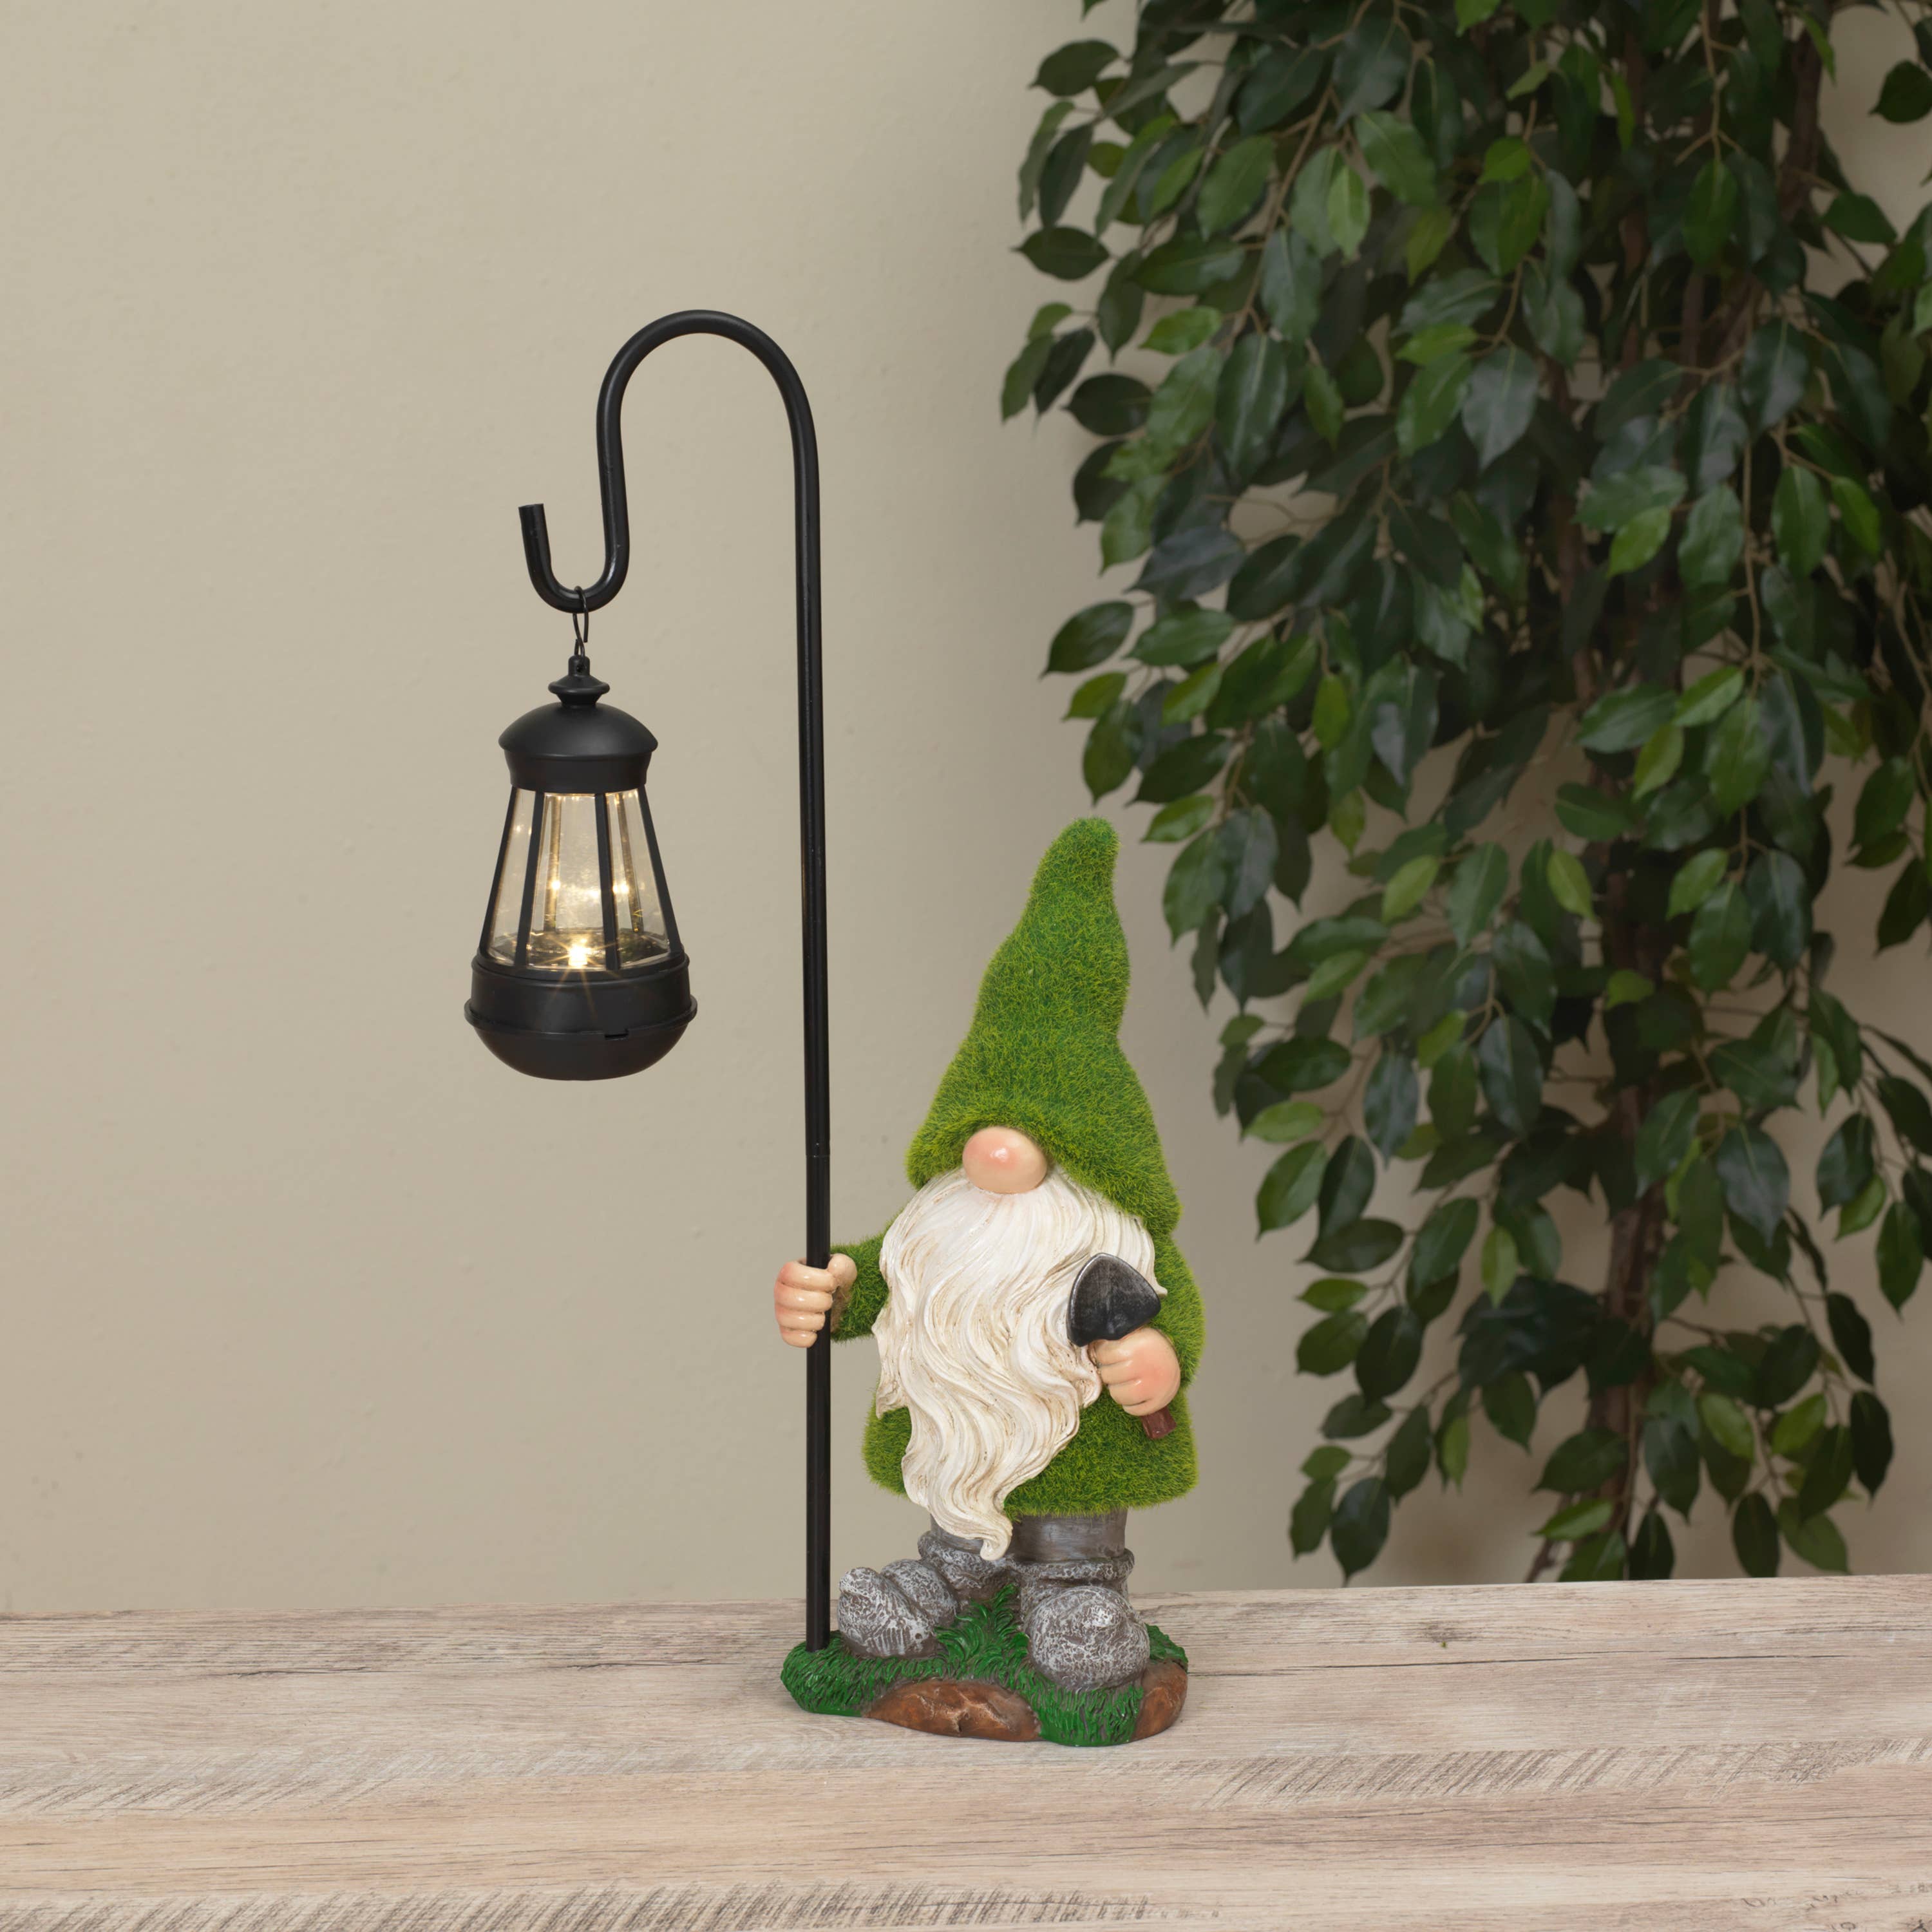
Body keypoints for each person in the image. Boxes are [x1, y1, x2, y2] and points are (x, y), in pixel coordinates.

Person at [770, 819, 1204, 1692]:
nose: (996, 1152)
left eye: (1034, 1129)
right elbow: (882, 1278)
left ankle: (1075, 1594)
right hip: (959, 1453)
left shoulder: (1114, 1242)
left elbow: (1175, 1315)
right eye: (982, 1122)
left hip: (1078, 1465)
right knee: (961, 1503)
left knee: (1074, 1531)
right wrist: (833, 1289)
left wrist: (1160, 1356)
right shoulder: (938, 1231)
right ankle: (950, 1578)